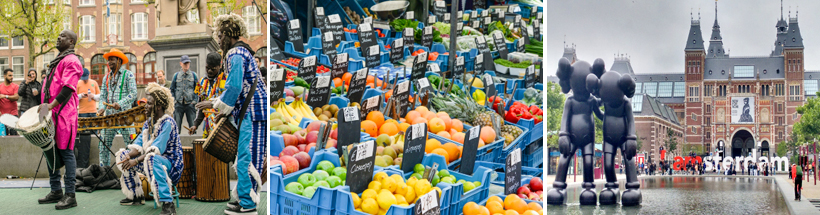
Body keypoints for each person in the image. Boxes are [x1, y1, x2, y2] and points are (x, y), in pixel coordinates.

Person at [201, 14, 267, 214]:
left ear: (229, 35)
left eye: (219, 36)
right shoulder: (242, 52)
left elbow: (234, 87)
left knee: (247, 156)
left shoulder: (234, 54)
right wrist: (223, 109)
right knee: (246, 154)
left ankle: (248, 204)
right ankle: (244, 197)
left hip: (253, 113)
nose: (218, 41)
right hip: (253, 111)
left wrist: (218, 107)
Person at [115, 83, 182, 215]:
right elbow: (139, 145)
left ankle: (168, 203)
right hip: (152, 162)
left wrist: (135, 161)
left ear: (158, 107)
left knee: (152, 159)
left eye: (149, 103)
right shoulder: (148, 123)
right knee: (122, 155)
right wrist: (129, 156)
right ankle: (136, 196)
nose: (146, 106)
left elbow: (155, 150)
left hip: (171, 167)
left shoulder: (167, 123)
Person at [36, 29, 82, 210]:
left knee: (66, 153)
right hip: (50, 114)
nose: (58, 37)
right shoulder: (59, 61)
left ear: (71, 41)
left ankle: (70, 195)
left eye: (63, 36)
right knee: (50, 151)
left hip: (63, 113)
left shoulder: (72, 60)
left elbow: (68, 88)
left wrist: (50, 105)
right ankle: (56, 191)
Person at [98, 48, 138, 166]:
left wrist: (120, 103)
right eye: (108, 60)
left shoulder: (128, 75)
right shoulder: (106, 78)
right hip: (110, 117)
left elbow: (133, 94)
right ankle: (104, 171)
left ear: (119, 61)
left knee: (132, 145)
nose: (109, 62)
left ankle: (133, 172)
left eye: (112, 60)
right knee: (103, 145)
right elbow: (103, 96)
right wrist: (101, 107)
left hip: (126, 117)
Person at [189, 52, 225, 137]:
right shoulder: (202, 82)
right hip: (209, 126)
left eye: (213, 69)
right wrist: (195, 125)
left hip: (224, 126)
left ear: (219, 66)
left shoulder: (226, 79)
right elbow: (202, 107)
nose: (209, 71)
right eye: (207, 68)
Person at [76, 68, 100, 168]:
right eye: (83, 78)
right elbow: (74, 97)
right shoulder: (78, 83)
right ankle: (84, 155)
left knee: (93, 132)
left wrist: (93, 96)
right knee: (84, 134)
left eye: (86, 78)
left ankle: (92, 154)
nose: (85, 80)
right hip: (82, 112)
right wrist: (81, 96)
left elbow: (100, 96)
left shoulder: (94, 83)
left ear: (89, 75)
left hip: (93, 111)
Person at [169, 55, 199, 133]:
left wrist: (194, 101)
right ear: (180, 64)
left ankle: (194, 143)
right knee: (176, 128)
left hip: (190, 104)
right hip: (179, 104)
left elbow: (198, 90)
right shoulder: (176, 75)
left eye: (188, 63)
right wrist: (174, 101)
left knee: (193, 126)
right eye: (185, 63)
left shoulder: (193, 75)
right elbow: (172, 89)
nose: (186, 65)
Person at [0, 69, 19, 135]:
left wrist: (5, 96)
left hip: (13, 115)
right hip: (3, 116)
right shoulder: (0, 87)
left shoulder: (15, 86)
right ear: (4, 76)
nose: (12, 77)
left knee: (14, 136)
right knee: (3, 136)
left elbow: (16, 97)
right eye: (10, 75)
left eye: (12, 75)